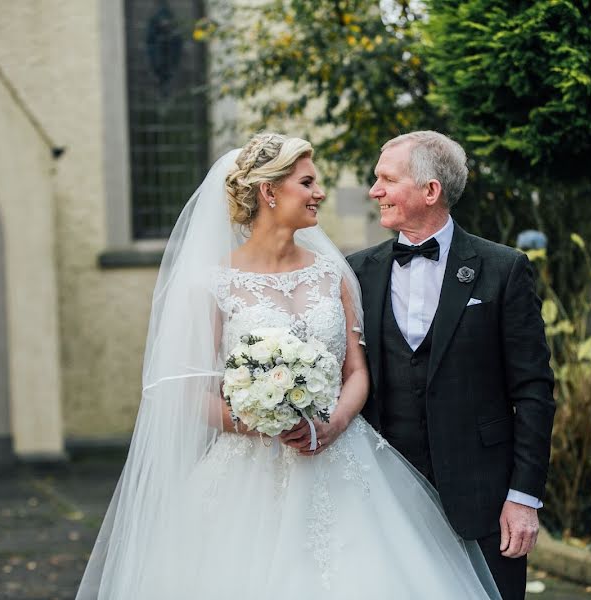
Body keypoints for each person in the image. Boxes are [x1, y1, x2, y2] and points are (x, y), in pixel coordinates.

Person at [76, 133, 501, 599]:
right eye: (308, 182)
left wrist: (332, 424)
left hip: (343, 459)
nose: (319, 193)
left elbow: (356, 372)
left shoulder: (334, 273)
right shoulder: (212, 284)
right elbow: (188, 391)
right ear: (269, 191)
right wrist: (259, 421)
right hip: (247, 472)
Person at [347, 131, 556, 600]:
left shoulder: (503, 269)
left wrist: (523, 499)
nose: (374, 190)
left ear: (430, 190)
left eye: (386, 179)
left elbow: (534, 392)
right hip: (384, 501)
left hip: (483, 503)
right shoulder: (357, 272)